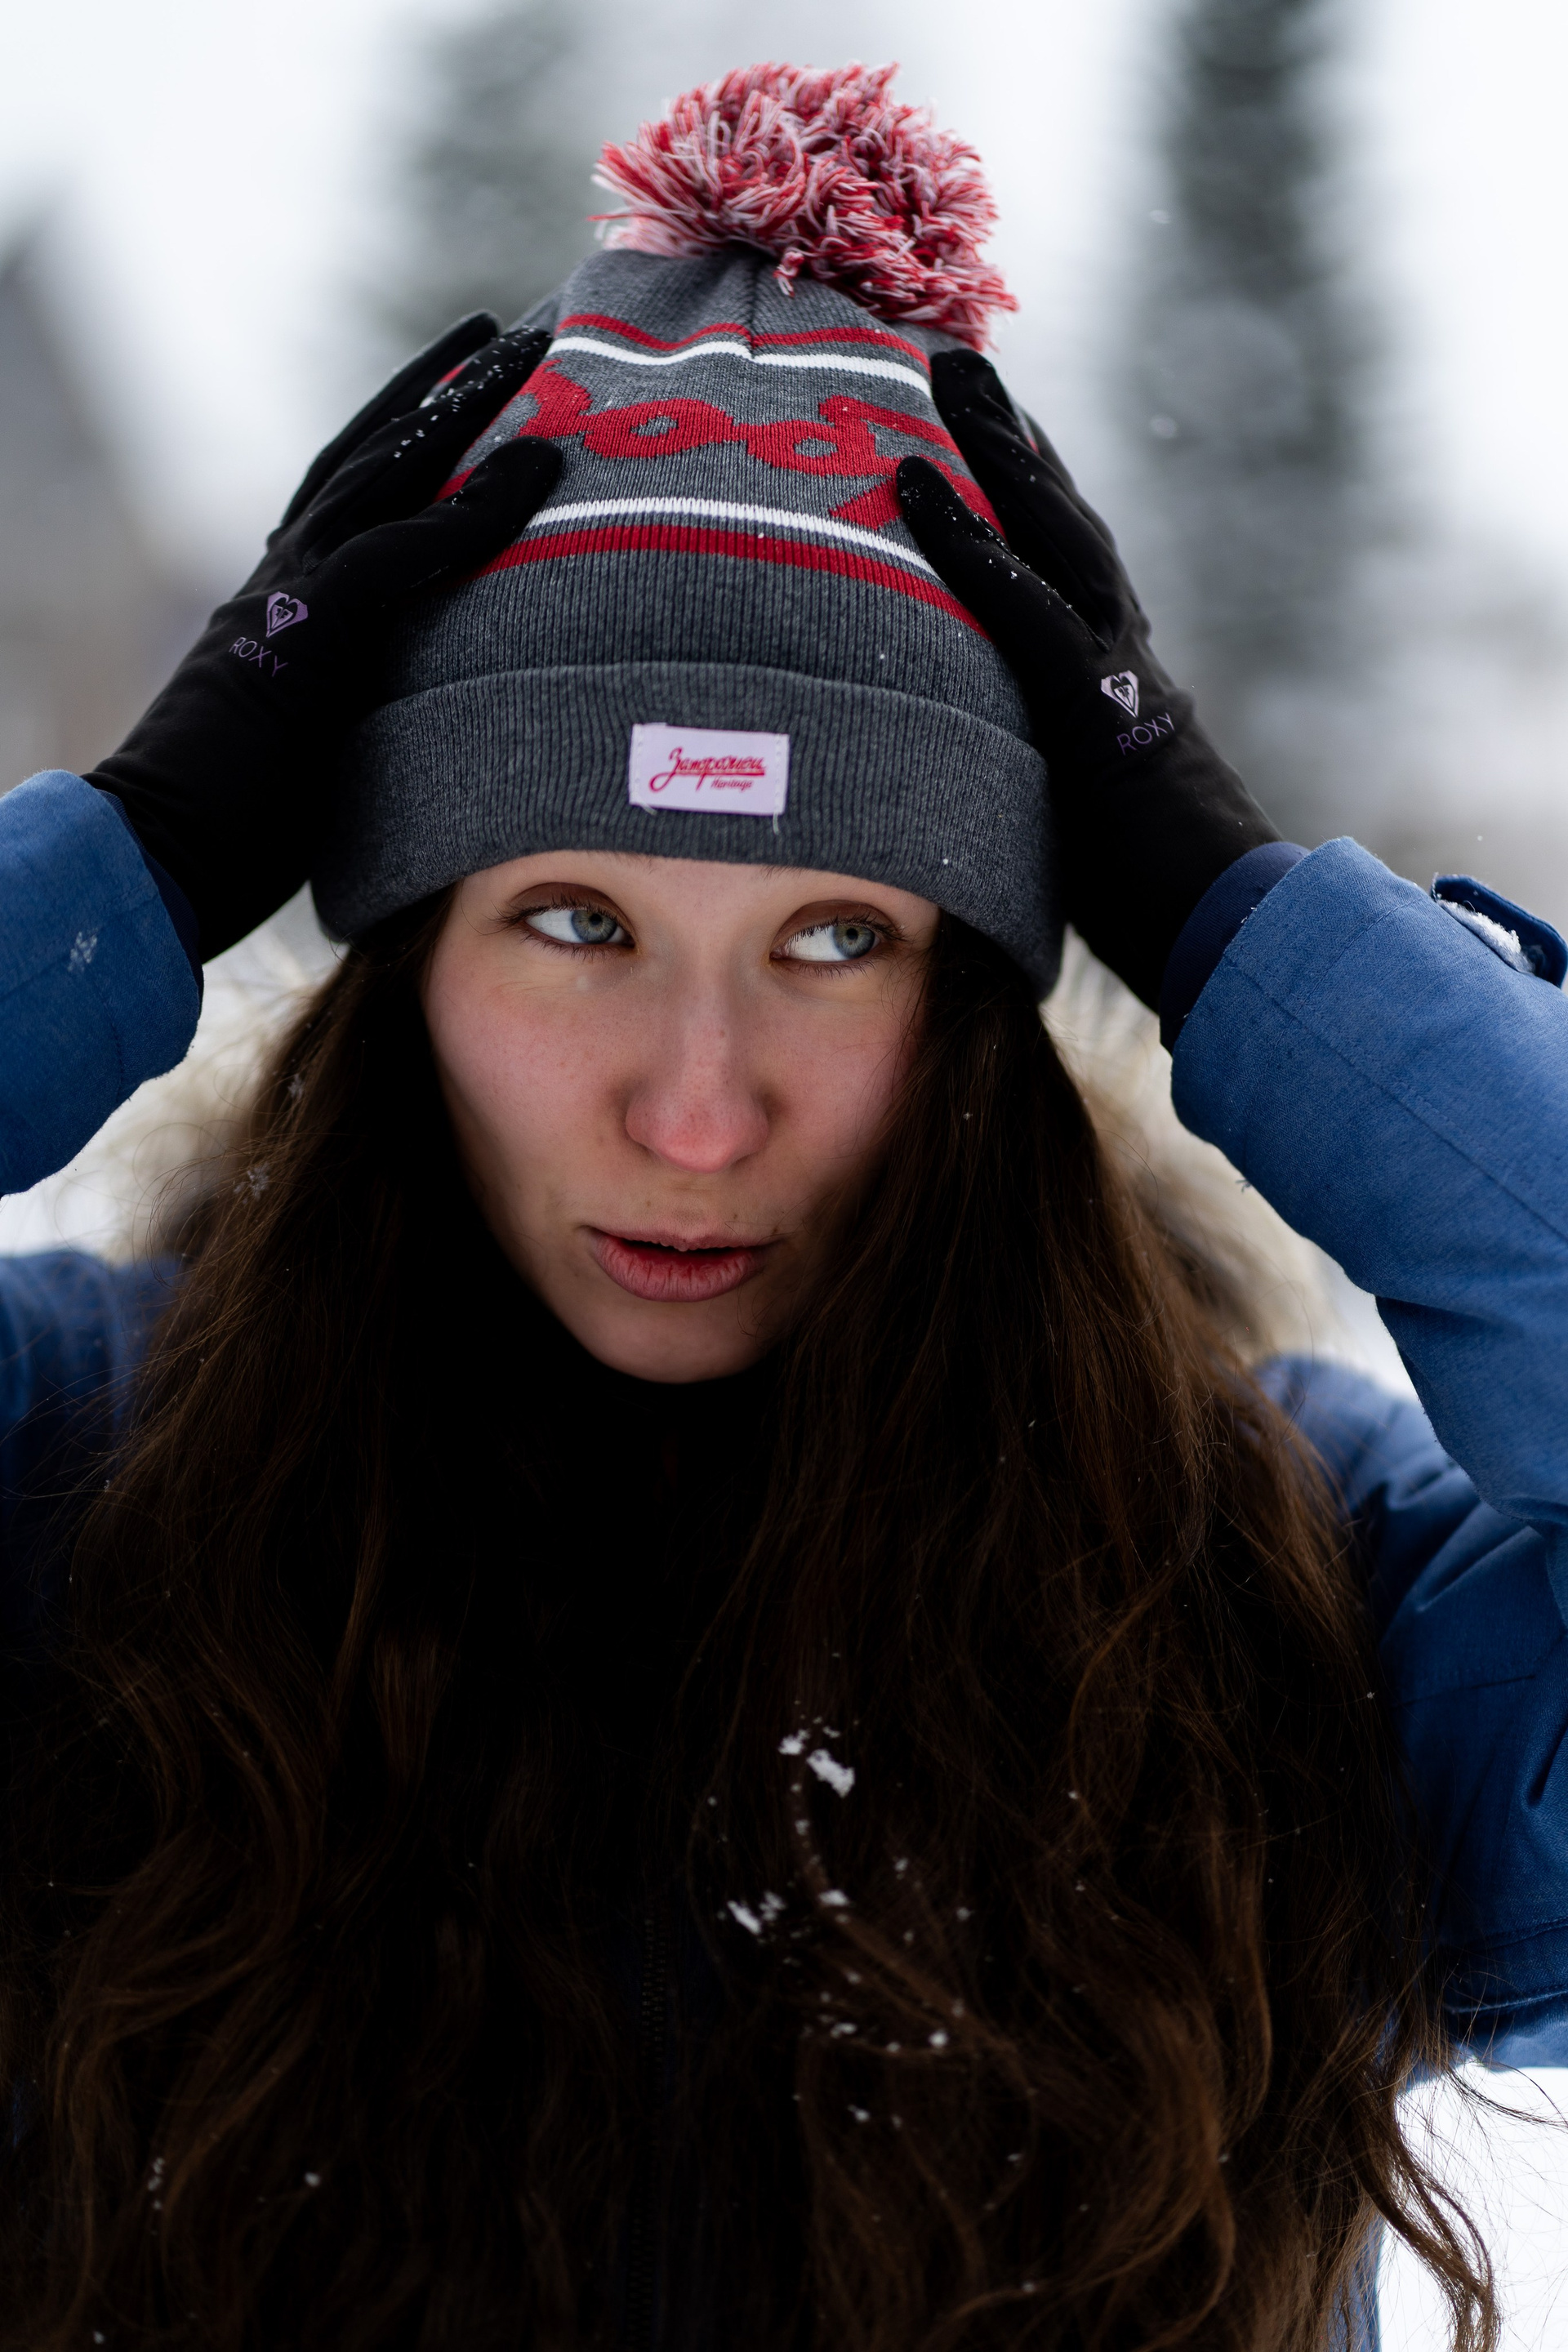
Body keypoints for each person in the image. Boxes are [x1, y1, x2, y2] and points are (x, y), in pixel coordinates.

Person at [1, 60, 1565, 2352]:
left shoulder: (1287, 1588)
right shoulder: (75, 1493)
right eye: (574, 921)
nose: (698, 1112)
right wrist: (120, 870)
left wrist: (1256, 936)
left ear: (982, 1009)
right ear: (400, 963)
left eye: (839, 937)